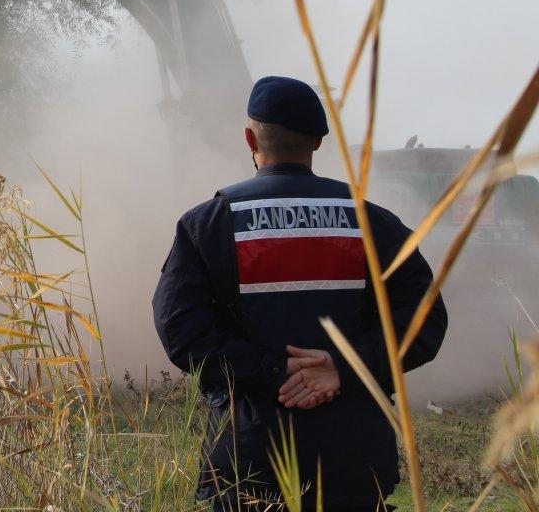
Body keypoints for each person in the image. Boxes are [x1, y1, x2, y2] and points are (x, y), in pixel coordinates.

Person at [152, 76, 448, 511]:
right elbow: (425, 318)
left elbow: (181, 329)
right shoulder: (374, 222)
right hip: (355, 458)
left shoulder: (210, 223)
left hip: (251, 458)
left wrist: (274, 372)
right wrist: (343, 369)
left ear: (249, 137)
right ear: (319, 141)